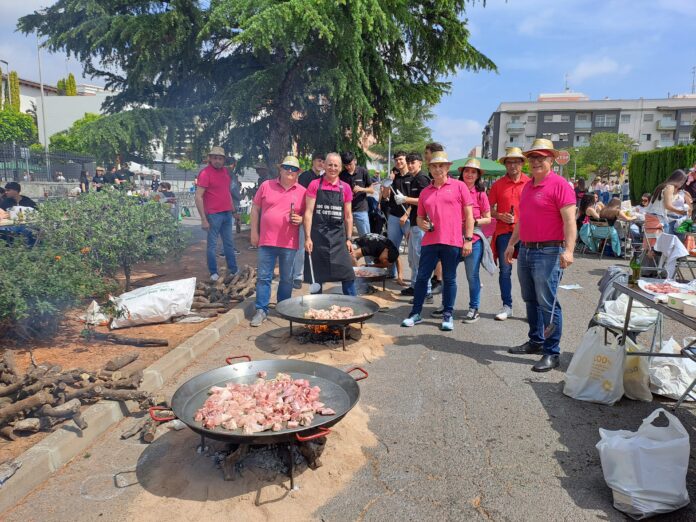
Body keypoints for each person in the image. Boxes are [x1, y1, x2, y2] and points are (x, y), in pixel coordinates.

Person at [504, 138, 577, 372]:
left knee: (548, 303)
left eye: (541, 157)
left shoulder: (560, 185)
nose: (536, 161)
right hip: (526, 248)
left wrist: (569, 250)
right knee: (530, 298)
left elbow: (569, 221)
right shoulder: (528, 186)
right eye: (533, 158)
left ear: (551, 160)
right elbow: (522, 220)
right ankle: (536, 340)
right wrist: (511, 244)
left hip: (549, 250)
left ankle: (552, 352)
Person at [401, 150, 474, 331]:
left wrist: (469, 239)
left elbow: (469, 215)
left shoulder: (459, 186)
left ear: (447, 167)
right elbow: (419, 218)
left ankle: (447, 314)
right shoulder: (426, 192)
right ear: (430, 168)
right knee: (422, 277)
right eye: (434, 166)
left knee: (449, 279)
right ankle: (415, 313)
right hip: (430, 241)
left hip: (452, 241)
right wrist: (422, 224)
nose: (438, 169)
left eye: (441, 165)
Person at [249, 156, 306, 327]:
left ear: (298, 173)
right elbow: (255, 208)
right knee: (264, 277)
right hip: (266, 241)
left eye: (294, 169)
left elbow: (308, 215)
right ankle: (261, 310)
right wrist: (254, 231)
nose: (290, 171)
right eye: (287, 167)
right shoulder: (266, 185)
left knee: (287, 278)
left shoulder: (302, 191)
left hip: (289, 242)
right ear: (280, 169)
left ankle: (284, 307)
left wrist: (301, 219)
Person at [303, 152, 356, 296]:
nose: (333, 168)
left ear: (340, 168)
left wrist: (349, 239)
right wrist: (307, 237)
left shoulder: (345, 187)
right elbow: (308, 212)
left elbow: (348, 216)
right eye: (330, 165)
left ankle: (353, 304)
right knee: (316, 277)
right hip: (318, 237)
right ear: (324, 166)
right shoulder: (315, 185)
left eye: (336, 165)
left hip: (339, 238)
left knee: (348, 275)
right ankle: (316, 307)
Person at [488, 147, 530, 321]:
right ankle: (507, 306)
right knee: (505, 270)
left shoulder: (530, 182)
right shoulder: (498, 185)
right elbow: (488, 210)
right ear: (505, 164)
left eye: (516, 161)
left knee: (529, 271)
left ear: (522, 164)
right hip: (505, 232)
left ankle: (531, 308)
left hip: (527, 232)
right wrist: (500, 215)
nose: (512, 165)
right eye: (509, 162)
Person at [454, 158, 492, 323]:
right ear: (462, 173)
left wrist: (473, 222)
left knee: (472, 275)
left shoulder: (480, 193)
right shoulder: (454, 189)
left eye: (473, 172)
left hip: (474, 237)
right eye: (467, 171)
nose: (469, 174)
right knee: (448, 274)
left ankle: (474, 308)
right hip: (453, 235)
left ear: (478, 175)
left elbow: (488, 218)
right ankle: (446, 305)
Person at [194, 146, 239, 281]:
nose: (217, 161)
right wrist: (203, 219)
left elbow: (227, 193)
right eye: (215, 158)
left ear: (224, 160)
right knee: (212, 245)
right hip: (213, 215)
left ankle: (233, 270)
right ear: (210, 159)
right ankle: (213, 272)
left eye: (220, 158)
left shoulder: (225, 172)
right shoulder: (205, 173)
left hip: (226, 214)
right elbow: (198, 196)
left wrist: (234, 211)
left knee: (229, 244)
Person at [396, 152, 431, 298]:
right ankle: (415, 286)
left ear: (420, 163)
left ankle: (426, 291)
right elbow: (415, 203)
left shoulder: (422, 178)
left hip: (421, 225)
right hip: (414, 224)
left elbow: (425, 200)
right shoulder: (414, 178)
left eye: (413, 162)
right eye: (409, 162)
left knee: (419, 259)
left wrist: (405, 199)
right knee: (412, 259)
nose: (410, 165)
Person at [292, 152, 325, 289]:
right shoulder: (305, 177)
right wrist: (300, 216)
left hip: (319, 217)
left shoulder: (325, 178)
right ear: (313, 161)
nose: (321, 164)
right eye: (319, 160)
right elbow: (299, 197)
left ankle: (316, 274)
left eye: (323, 161)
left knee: (318, 247)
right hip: (305, 215)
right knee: (301, 247)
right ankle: (297, 277)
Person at [382, 151, 412, 277]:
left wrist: (406, 215)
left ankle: (415, 279)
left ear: (406, 160)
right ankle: (391, 273)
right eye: (396, 160)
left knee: (412, 250)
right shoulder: (394, 178)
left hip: (409, 218)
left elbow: (418, 198)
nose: (398, 162)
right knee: (392, 247)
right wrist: (389, 181)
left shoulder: (413, 177)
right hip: (394, 216)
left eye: (401, 159)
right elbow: (385, 196)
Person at [339, 151, 374, 238]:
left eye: (350, 164)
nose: (348, 167)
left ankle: (366, 251)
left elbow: (372, 190)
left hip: (361, 209)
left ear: (355, 160)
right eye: (346, 165)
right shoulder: (342, 175)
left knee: (366, 237)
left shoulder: (363, 171)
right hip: (346, 210)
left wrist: (361, 189)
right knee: (345, 236)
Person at [645, 169, 689, 234]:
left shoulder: (661, 186)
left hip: (651, 218)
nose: (682, 184)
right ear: (678, 180)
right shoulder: (670, 187)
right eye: (682, 182)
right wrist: (680, 212)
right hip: (659, 219)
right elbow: (667, 205)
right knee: (666, 242)